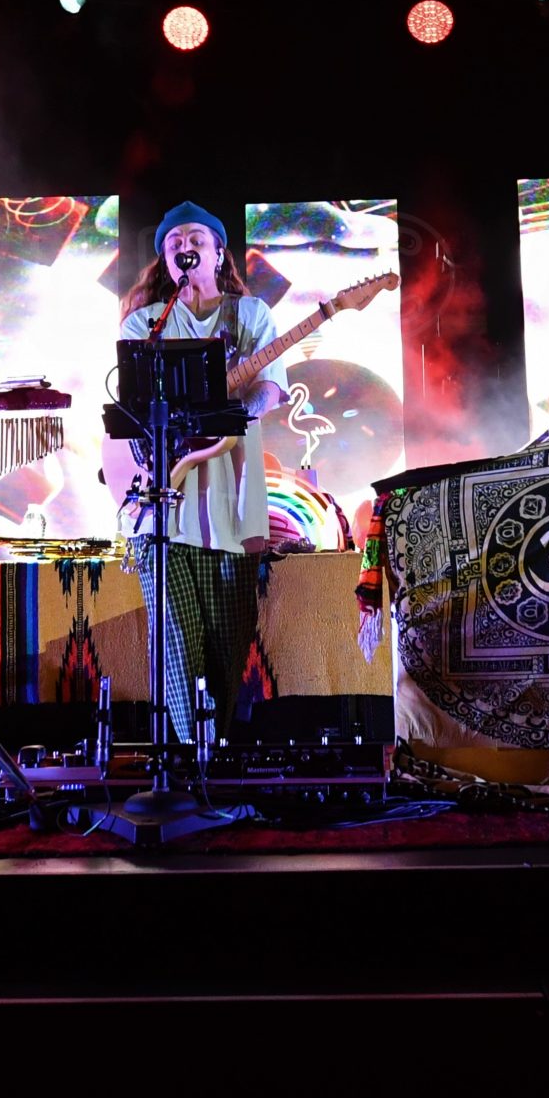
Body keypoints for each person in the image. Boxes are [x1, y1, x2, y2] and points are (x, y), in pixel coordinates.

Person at [115, 202, 324, 743]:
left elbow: (269, 386)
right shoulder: (145, 323)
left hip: (233, 502)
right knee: (175, 640)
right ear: (167, 258)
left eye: (196, 238)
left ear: (217, 252)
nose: (185, 246)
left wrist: (231, 414)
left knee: (229, 643)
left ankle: (219, 750)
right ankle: (187, 754)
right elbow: (130, 404)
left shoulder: (249, 315)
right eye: (174, 241)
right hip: (163, 506)